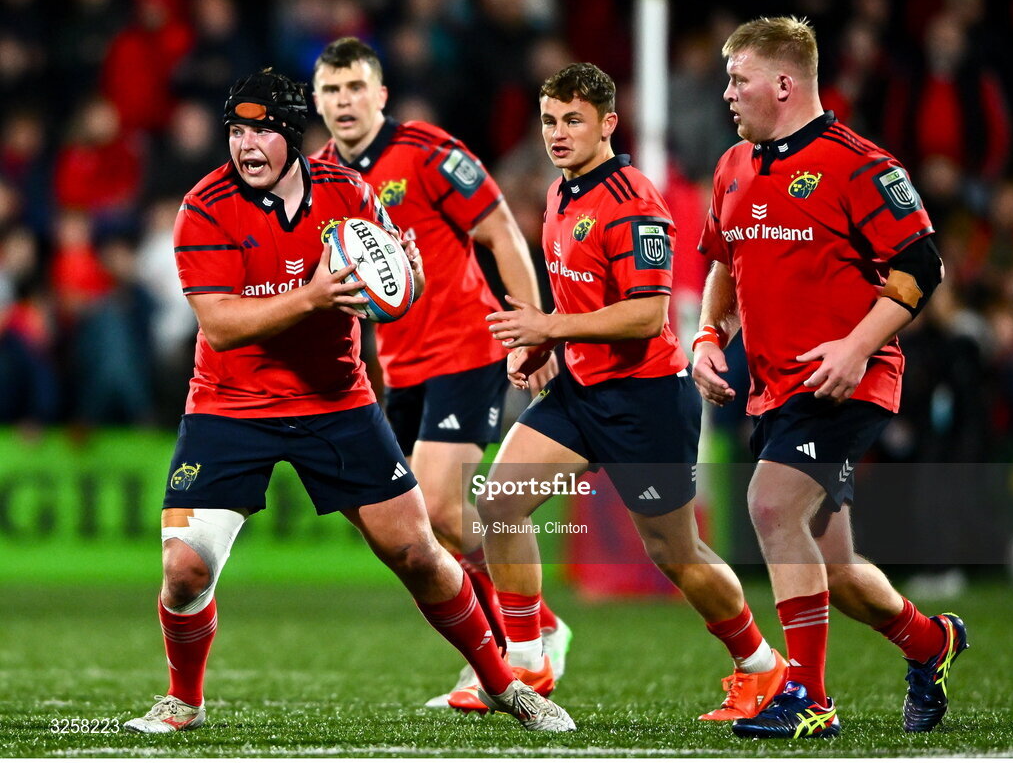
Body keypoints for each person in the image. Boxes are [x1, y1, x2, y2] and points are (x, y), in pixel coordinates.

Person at [123, 69, 574, 734]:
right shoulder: (204, 207)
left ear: (291, 136)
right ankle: (183, 700)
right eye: (237, 132)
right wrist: (313, 294)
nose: (247, 145)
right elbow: (219, 324)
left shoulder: (350, 192)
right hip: (230, 405)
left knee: (420, 552)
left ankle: (507, 685)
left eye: (262, 132)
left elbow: (399, 284)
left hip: (336, 402)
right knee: (185, 570)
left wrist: (409, 277)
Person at [472, 61, 788, 719]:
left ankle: (761, 666)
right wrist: (544, 345)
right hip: (582, 391)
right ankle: (529, 663)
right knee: (499, 505)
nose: (557, 134)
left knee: (674, 551)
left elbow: (646, 314)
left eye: (573, 121)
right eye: (550, 120)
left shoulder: (634, 202)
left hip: (644, 399)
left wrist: (549, 325)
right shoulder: (561, 193)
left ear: (608, 124)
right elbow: (584, 296)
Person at [693, 17, 968, 739]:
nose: (727, 93)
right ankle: (932, 643)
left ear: (784, 84)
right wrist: (704, 335)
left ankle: (806, 696)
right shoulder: (732, 167)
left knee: (771, 508)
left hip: (847, 383)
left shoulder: (860, 165)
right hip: (775, 390)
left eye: (738, 79)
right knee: (837, 573)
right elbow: (724, 260)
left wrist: (855, 347)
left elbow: (922, 264)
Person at [309, 37, 570, 708]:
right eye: (332, 90)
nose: (344, 102)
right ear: (318, 100)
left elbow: (501, 232)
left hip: (467, 346)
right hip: (398, 367)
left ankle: (526, 643)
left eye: (355, 88)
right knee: (393, 523)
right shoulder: (319, 180)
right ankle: (531, 627)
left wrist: (530, 328)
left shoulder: (427, 152)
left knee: (440, 505)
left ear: (381, 94)